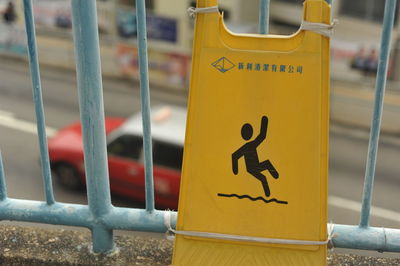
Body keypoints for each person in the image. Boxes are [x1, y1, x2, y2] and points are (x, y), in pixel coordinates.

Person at [231, 116, 279, 197]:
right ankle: (268, 192)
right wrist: (235, 169)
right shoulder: (248, 146)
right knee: (263, 177)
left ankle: (275, 176)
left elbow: (234, 156)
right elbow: (234, 156)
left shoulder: (249, 145)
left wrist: (264, 122)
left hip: (253, 167)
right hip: (252, 168)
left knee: (265, 170)